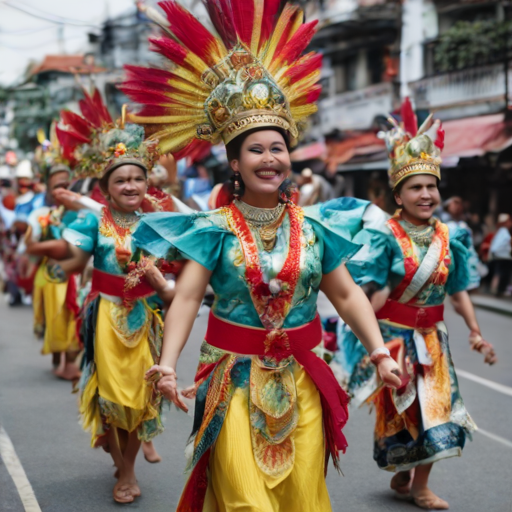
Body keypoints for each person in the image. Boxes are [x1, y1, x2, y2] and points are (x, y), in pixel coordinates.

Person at [123, 2, 402, 510]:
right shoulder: (213, 229)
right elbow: (186, 299)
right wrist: (166, 365)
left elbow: (345, 293)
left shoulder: (315, 228)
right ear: (235, 161)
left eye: (278, 147)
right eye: (256, 150)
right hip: (232, 375)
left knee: (303, 499)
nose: (270, 159)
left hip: (303, 377)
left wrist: (380, 352)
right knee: (245, 501)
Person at [332, 100, 497, 510]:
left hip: (433, 339)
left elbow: (457, 290)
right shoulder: (386, 236)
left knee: (437, 408)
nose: (426, 194)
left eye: (431, 186)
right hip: (394, 339)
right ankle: (404, 468)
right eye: (416, 188)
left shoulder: (450, 235)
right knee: (403, 412)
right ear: (398, 195)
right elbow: (372, 292)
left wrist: (476, 332)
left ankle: (422, 484)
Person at [52, 87, 177, 503]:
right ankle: (125, 474)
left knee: (141, 398)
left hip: (145, 321)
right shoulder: (93, 224)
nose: (131, 185)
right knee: (112, 395)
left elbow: (179, 286)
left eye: (138, 177)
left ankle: (127, 463)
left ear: (147, 183)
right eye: (121, 179)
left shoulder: (156, 224)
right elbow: (70, 260)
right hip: (105, 317)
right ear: (105, 189)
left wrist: (160, 282)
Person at [25, 160, 81, 379]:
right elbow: (30, 246)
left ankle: (70, 362)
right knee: (57, 316)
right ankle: (59, 355)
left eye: (66, 185)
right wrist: (54, 248)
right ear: (48, 189)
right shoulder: (41, 214)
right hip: (52, 274)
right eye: (57, 186)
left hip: (78, 274)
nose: (62, 191)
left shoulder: (82, 211)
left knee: (76, 317)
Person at [442, 196, 482, 291]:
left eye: (458, 204)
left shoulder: (464, 224)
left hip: (465, 261)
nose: (456, 207)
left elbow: (470, 244)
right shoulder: (443, 222)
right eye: (453, 204)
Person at [489, 213, 512, 296]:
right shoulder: (504, 232)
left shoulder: (501, 231)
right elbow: (497, 245)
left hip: (501, 256)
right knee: (499, 273)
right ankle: (495, 290)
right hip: (502, 256)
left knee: (499, 273)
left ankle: (496, 290)